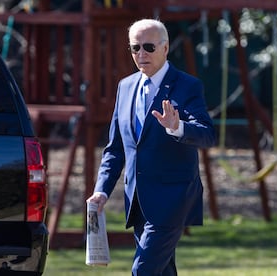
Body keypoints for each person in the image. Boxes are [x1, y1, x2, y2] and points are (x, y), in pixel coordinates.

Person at [86, 18, 215, 275]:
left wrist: (177, 127)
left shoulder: (187, 86)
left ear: (165, 48)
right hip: (137, 200)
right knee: (162, 271)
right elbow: (116, 149)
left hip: (173, 199)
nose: (141, 54)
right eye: (135, 48)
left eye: (149, 47)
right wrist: (102, 190)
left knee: (142, 269)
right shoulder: (125, 87)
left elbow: (207, 135)